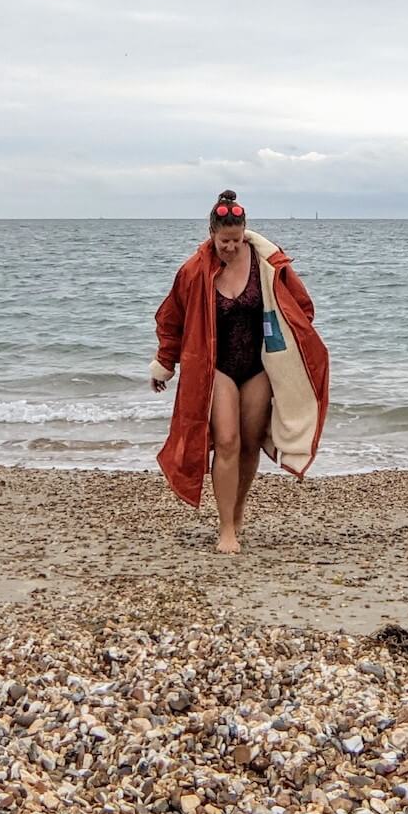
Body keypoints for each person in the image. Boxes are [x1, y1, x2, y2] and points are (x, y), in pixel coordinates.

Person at [150, 189, 330, 553]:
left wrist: (294, 346)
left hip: (258, 366)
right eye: (223, 242)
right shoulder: (193, 270)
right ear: (211, 234)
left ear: (245, 231)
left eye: (235, 240)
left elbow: (301, 308)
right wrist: (165, 363)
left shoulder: (270, 263)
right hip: (216, 366)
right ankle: (226, 528)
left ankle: (238, 509)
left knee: (250, 444)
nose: (229, 248)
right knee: (227, 441)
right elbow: (172, 319)